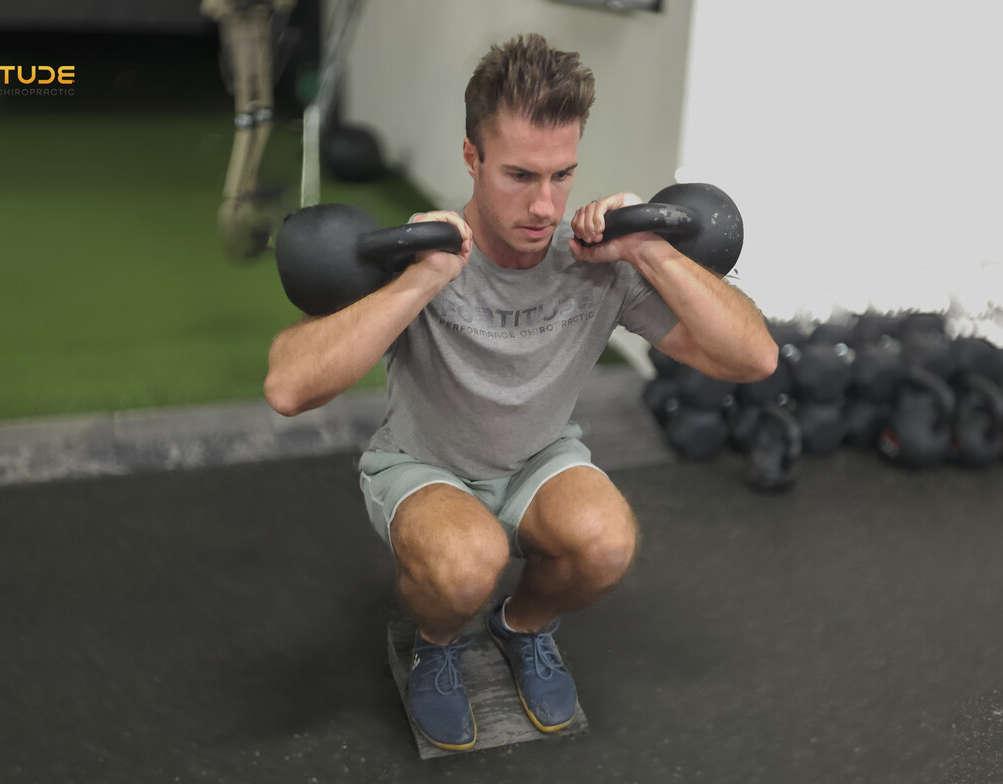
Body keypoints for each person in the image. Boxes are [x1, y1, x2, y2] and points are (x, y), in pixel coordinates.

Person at [264, 33, 777, 751]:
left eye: (561, 175)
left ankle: (522, 625)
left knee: (605, 543)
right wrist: (418, 281)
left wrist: (648, 249)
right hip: (424, 468)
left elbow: (753, 357)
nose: (544, 204)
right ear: (472, 158)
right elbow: (288, 386)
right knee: (462, 564)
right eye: (519, 175)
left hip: (540, 463)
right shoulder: (423, 253)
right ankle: (438, 642)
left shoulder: (595, 260)